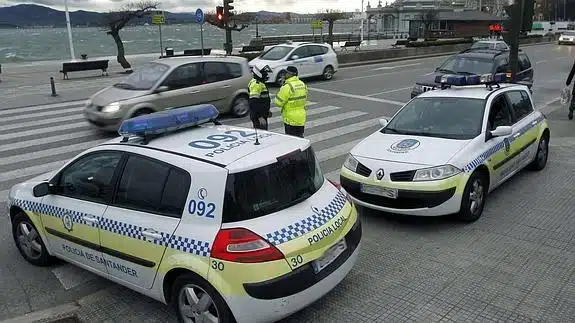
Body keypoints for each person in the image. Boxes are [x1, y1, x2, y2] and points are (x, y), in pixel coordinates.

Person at [274, 66, 308, 138]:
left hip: (290, 118)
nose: (284, 74)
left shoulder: (287, 86)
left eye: (286, 73)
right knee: (300, 137)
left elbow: (278, 103)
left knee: (292, 139)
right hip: (301, 117)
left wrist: (281, 89)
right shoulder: (302, 84)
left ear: (290, 74)